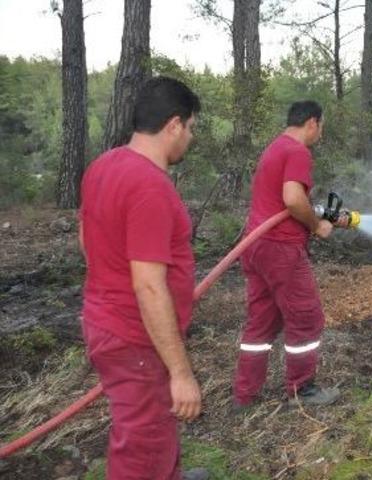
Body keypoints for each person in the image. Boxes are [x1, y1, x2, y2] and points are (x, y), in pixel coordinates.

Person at [78, 76, 208, 480]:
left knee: (152, 432)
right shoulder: (150, 186)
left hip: (108, 325)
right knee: (142, 444)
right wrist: (182, 373)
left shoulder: (105, 165)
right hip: (136, 339)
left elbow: (86, 238)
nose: (189, 137)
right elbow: (149, 285)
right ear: (173, 125)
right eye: (190, 128)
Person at [232, 100, 343, 410]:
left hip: (256, 246)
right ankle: (302, 390)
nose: (320, 133)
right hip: (280, 248)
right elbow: (293, 200)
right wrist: (316, 225)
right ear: (312, 123)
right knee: (307, 318)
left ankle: (245, 394)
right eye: (321, 126)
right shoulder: (297, 151)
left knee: (261, 323)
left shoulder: (275, 148)